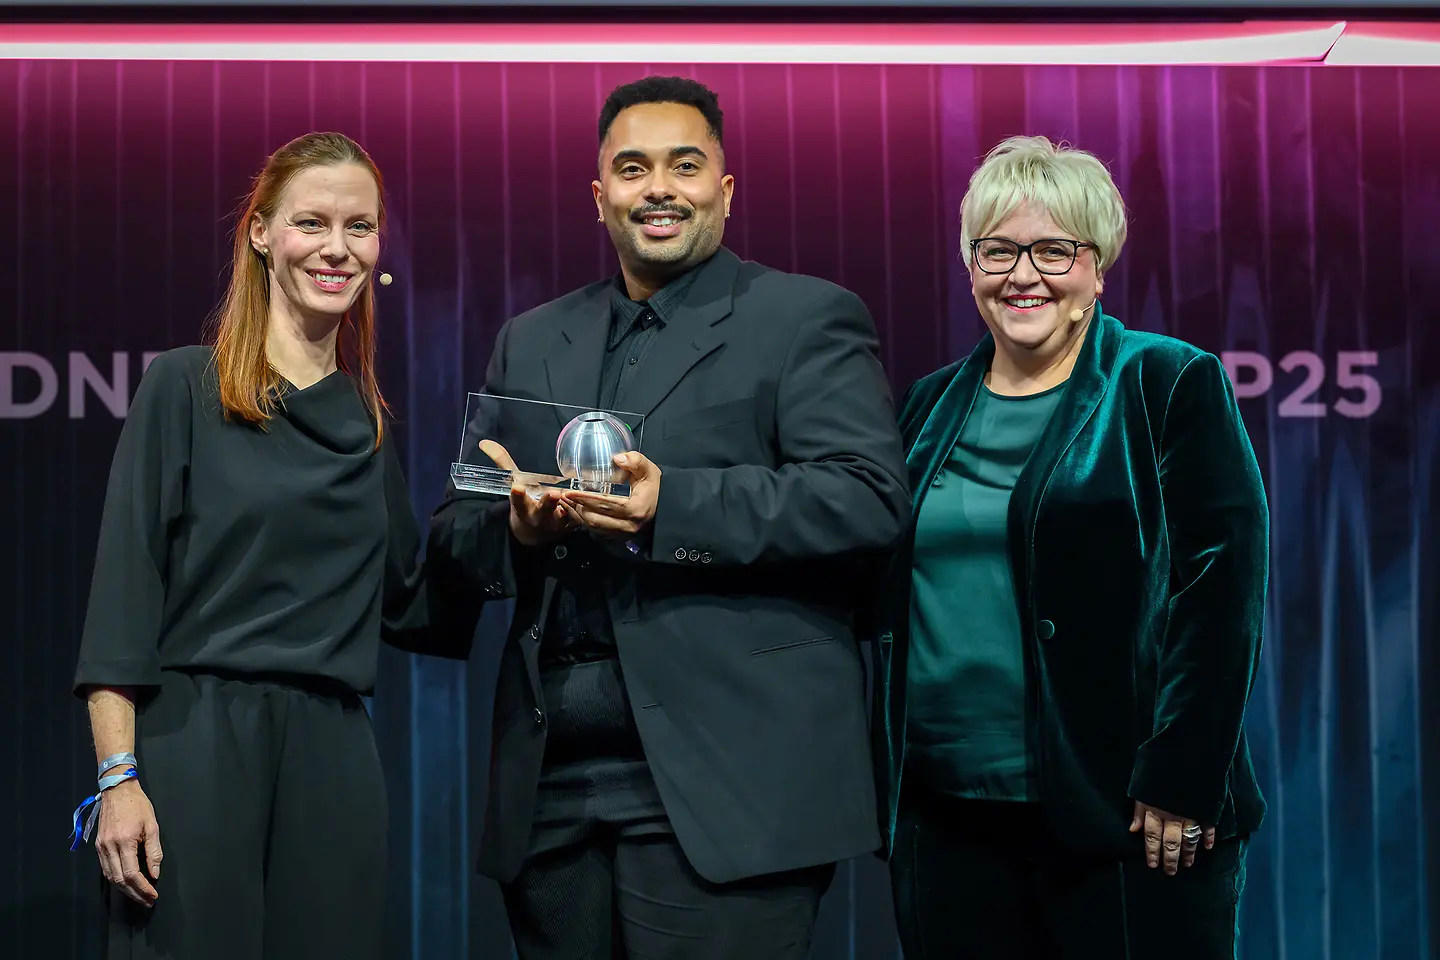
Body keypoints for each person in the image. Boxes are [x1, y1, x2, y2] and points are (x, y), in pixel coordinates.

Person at [427, 75, 909, 959]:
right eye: (634, 168)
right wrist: (517, 530)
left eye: (685, 167)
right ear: (599, 194)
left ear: (725, 190)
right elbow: (461, 527)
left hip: (728, 780)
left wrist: (670, 504)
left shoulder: (803, 317)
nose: (659, 188)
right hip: (554, 784)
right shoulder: (533, 338)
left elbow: (865, 497)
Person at [70, 131, 469, 960]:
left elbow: (412, 606)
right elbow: (123, 598)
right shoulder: (185, 385)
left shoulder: (366, 424)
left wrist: (509, 532)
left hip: (333, 753)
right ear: (261, 233)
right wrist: (119, 778)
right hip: (197, 742)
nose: (337, 248)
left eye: (360, 227)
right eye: (312, 223)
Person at [872, 135, 1269, 959]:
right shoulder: (927, 403)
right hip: (945, 813)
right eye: (999, 251)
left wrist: (1180, 776)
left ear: (1097, 266)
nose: (1024, 275)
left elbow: (1221, 588)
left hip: (1126, 809)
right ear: (970, 264)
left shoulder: (1166, 380)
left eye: (1054, 250)